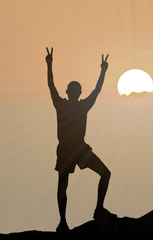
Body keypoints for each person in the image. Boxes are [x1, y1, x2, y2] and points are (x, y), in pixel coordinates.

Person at [45, 47, 114, 233]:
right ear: (70, 92)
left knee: (104, 174)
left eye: (76, 90)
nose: (75, 92)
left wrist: (103, 71)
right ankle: (63, 222)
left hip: (78, 148)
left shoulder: (73, 105)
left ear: (74, 92)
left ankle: (97, 211)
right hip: (68, 149)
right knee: (63, 185)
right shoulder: (66, 105)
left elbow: (97, 91)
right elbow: (51, 87)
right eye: (73, 90)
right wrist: (49, 65)